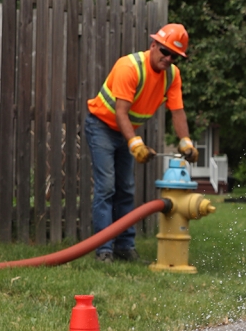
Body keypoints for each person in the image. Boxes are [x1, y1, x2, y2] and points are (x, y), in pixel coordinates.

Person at [84, 23, 199, 261]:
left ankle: (125, 248)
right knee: (106, 187)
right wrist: (135, 144)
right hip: (101, 126)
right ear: (153, 45)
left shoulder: (172, 76)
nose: (168, 59)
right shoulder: (130, 67)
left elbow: (177, 112)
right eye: (165, 51)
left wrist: (185, 141)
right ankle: (104, 251)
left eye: (174, 56)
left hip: (126, 132)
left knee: (126, 189)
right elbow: (121, 112)